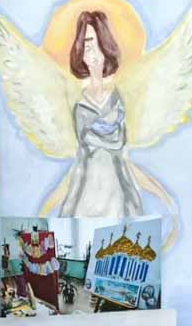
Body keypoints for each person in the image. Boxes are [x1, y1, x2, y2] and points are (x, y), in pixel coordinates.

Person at [57, 11, 144, 218]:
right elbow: (84, 153)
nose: (94, 55)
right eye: (88, 48)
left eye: (98, 46)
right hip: (88, 189)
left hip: (117, 186)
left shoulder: (117, 98)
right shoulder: (80, 106)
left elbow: (121, 148)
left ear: (106, 49)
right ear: (80, 53)